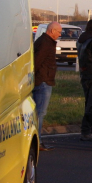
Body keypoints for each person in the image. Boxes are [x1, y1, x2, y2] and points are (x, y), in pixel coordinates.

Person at [33, 22, 62, 151]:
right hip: (43, 81)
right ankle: (37, 141)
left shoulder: (43, 41)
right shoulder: (46, 43)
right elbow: (37, 61)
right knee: (40, 113)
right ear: (52, 31)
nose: (60, 35)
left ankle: (37, 140)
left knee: (38, 112)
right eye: (59, 32)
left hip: (42, 80)